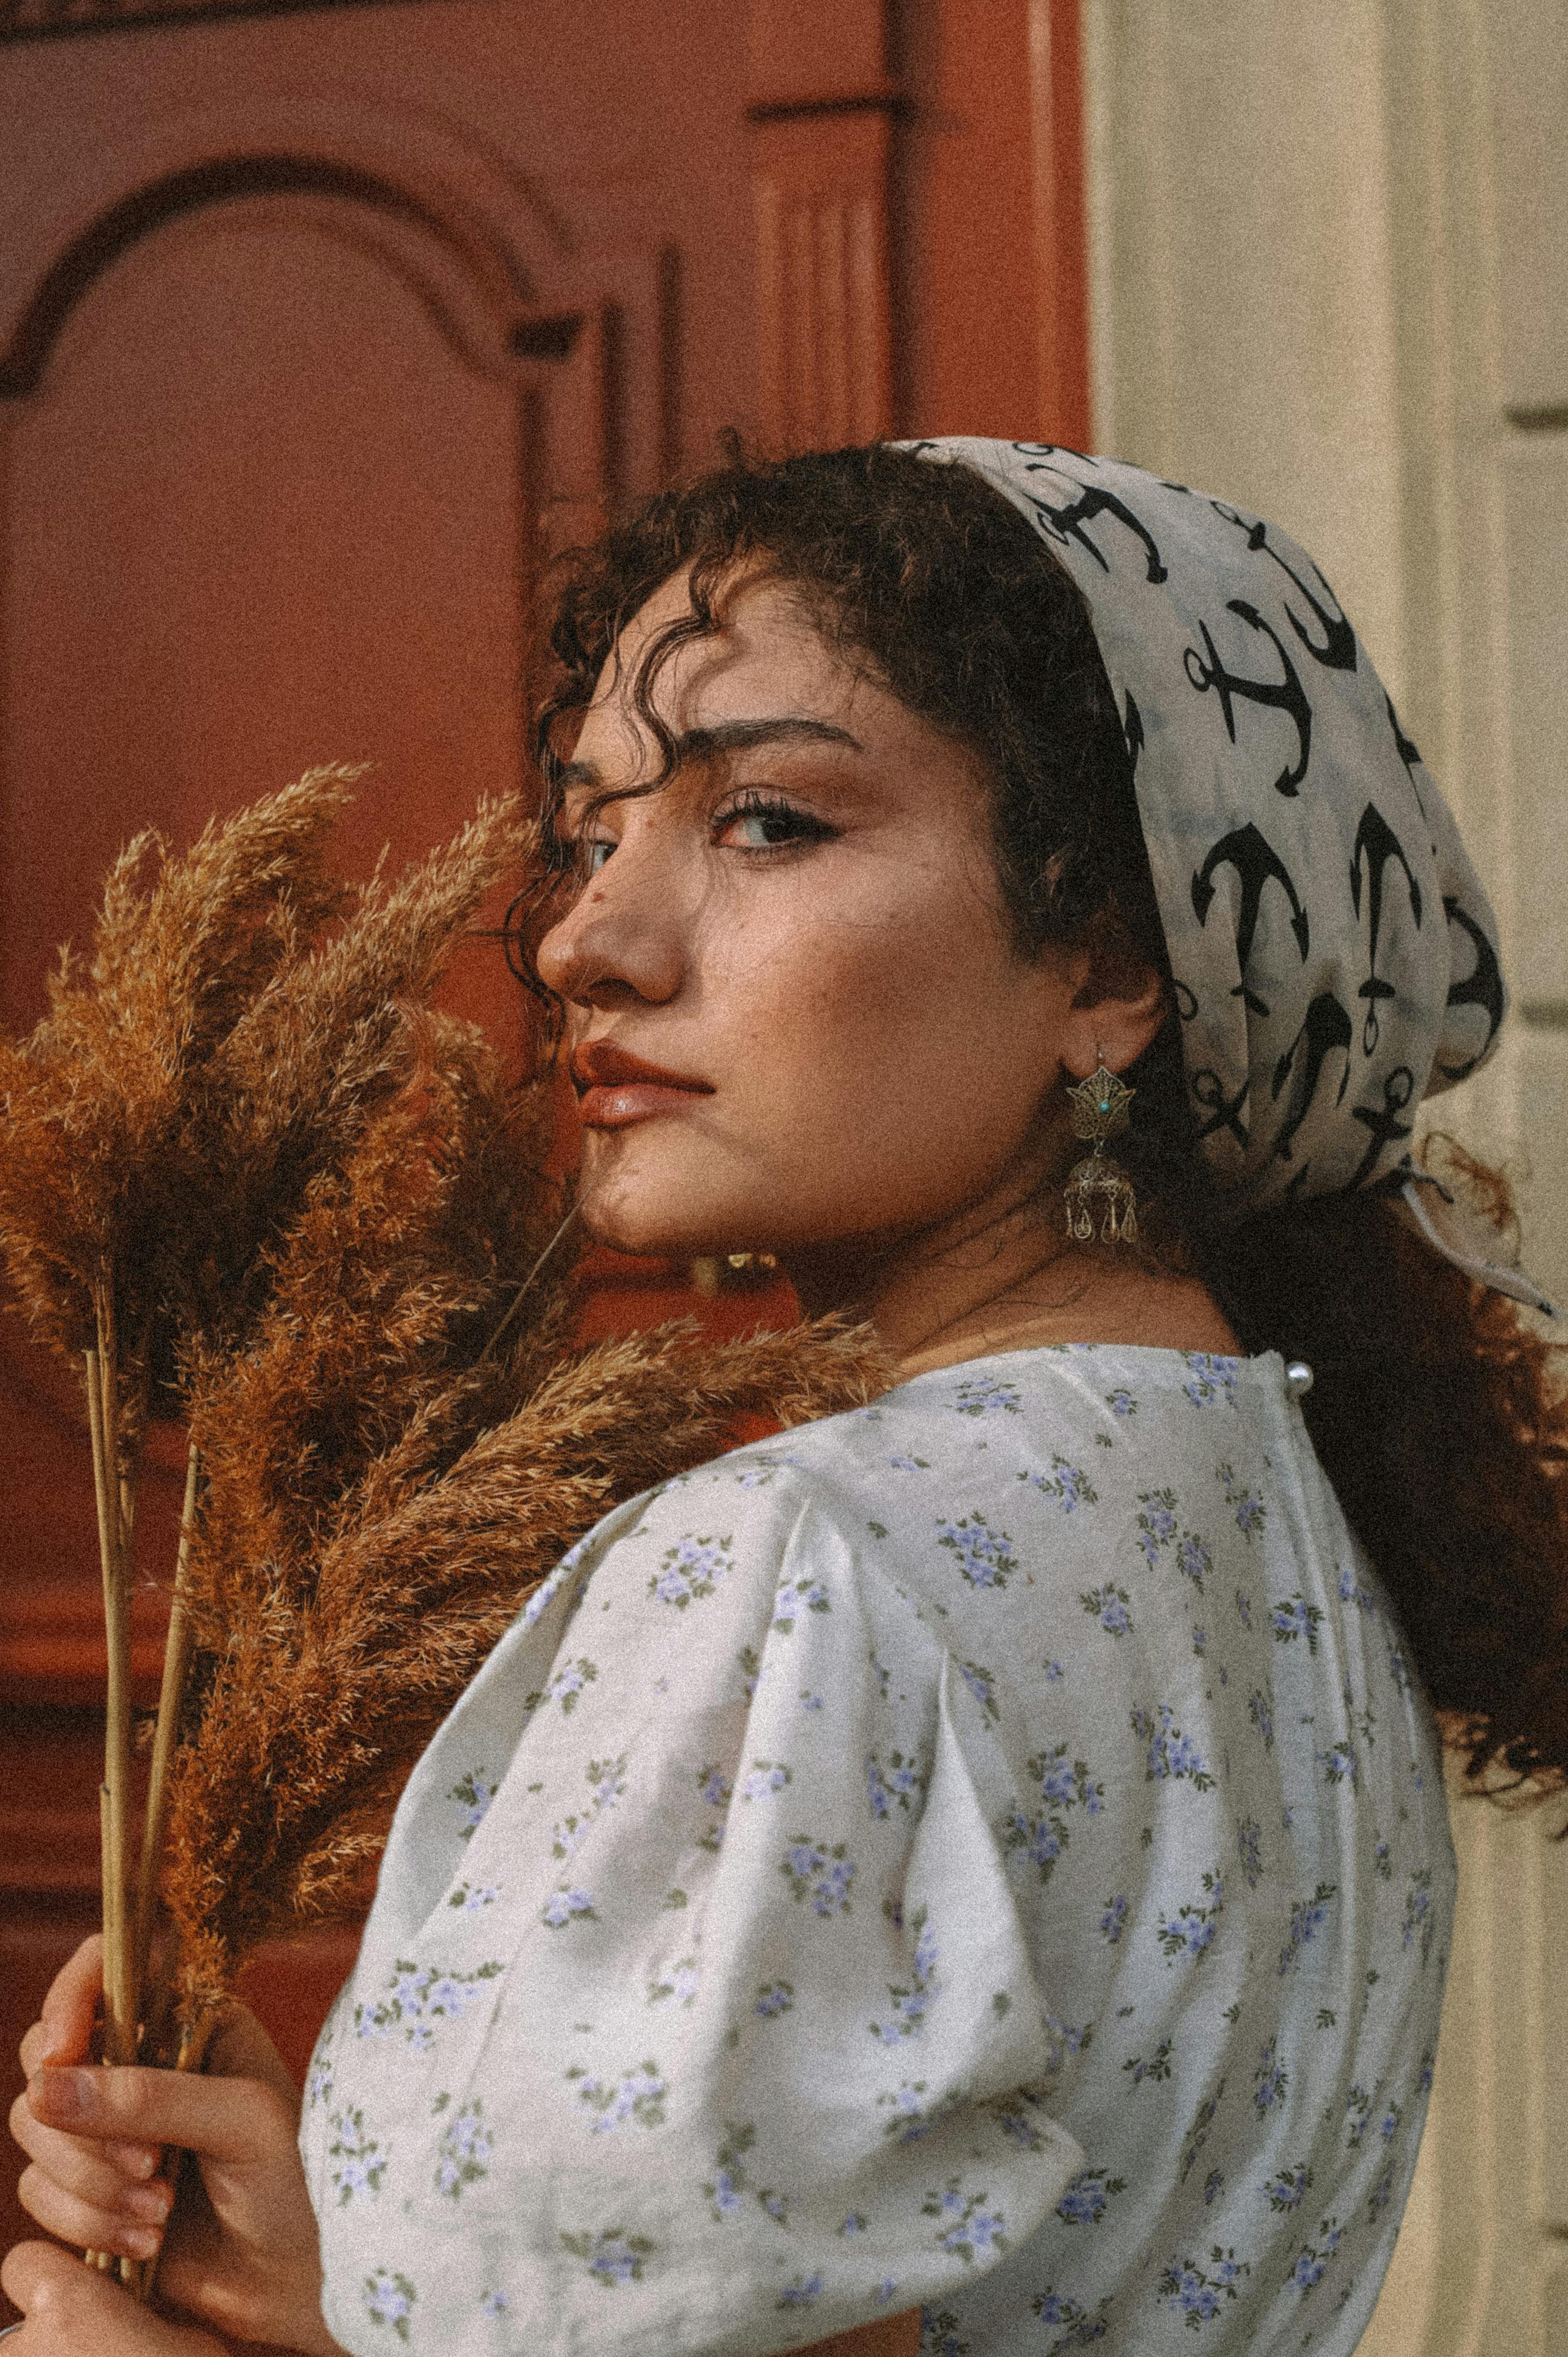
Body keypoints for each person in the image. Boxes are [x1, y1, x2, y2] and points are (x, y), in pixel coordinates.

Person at [7, 440, 1566, 2357]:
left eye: (766, 824)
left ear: (1110, 962)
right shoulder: (1291, 1528)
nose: (589, 941)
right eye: (593, 835)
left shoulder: (810, 1565)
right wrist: (351, 2301)